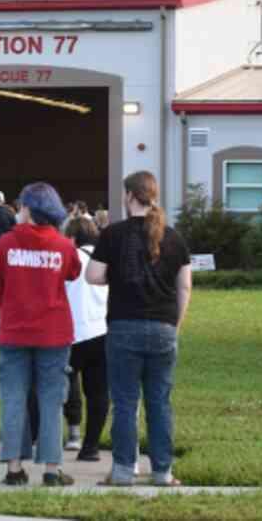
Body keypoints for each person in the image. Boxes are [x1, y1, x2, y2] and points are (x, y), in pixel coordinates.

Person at [85, 171, 192, 487]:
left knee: (125, 402)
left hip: (123, 327)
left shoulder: (113, 235)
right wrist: (176, 322)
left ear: (129, 196)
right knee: (159, 402)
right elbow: (184, 286)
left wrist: (114, 276)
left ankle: (122, 471)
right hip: (163, 328)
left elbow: (93, 275)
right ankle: (162, 471)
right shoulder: (173, 237)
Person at [0, 182, 81, 487]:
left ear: (28, 208)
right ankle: (52, 469)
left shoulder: (6, 243)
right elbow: (74, 272)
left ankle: (14, 468)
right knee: (51, 401)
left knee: (13, 398)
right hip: (53, 333)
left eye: (21, 205)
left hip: (14, 332)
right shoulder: (63, 245)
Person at [63, 216, 108, 461]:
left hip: (71, 332)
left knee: (64, 386)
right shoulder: (104, 260)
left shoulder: (71, 258)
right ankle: (91, 446)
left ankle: (72, 433)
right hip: (101, 331)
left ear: (72, 237)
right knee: (98, 392)